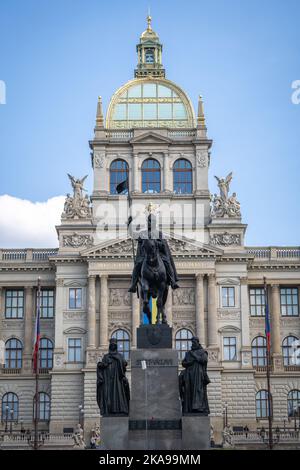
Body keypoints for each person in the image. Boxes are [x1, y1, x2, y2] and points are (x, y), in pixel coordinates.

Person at [128, 213, 179, 293]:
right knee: (137, 265)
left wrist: (156, 243)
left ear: (154, 223)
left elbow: (163, 245)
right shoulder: (143, 233)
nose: (148, 223)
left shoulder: (159, 234)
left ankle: (173, 281)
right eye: (147, 221)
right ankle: (133, 285)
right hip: (145, 256)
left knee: (168, 263)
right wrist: (130, 225)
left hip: (159, 255)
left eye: (150, 221)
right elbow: (134, 235)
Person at [96, 338, 130, 416]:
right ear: (110, 346)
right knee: (109, 396)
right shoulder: (106, 356)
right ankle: (109, 410)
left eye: (114, 345)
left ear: (116, 346)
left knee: (118, 395)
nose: (113, 346)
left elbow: (124, 364)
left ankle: (119, 410)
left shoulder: (120, 356)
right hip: (108, 380)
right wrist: (103, 364)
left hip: (117, 380)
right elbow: (102, 366)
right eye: (112, 345)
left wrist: (118, 360)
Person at [179, 336, 210, 414]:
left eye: (194, 342)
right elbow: (183, 363)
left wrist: (195, 357)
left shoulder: (203, 352)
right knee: (189, 391)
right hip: (189, 374)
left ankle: (199, 408)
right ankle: (189, 408)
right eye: (192, 342)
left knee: (198, 391)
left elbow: (204, 360)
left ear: (197, 342)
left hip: (198, 374)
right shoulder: (188, 353)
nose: (192, 343)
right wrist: (189, 362)